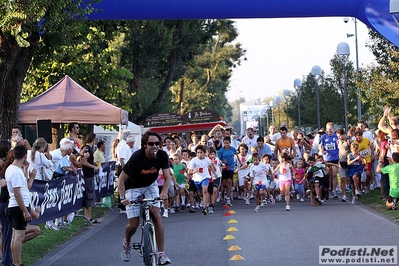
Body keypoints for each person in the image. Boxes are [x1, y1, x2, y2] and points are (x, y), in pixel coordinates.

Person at [118, 131, 172, 265]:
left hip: (150, 185)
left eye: (157, 143)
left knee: (156, 214)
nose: (155, 146)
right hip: (133, 187)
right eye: (151, 144)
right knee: (134, 224)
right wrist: (122, 198)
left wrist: (164, 191)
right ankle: (127, 242)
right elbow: (121, 179)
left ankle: (161, 254)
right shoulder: (137, 157)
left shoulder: (162, 155)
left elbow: (167, 178)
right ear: (144, 145)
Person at [5, 145, 36, 266]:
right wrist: (25, 211)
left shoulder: (12, 169)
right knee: (19, 236)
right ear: (24, 156)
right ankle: (18, 263)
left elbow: (23, 187)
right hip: (18, 206)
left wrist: (26, 169)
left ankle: (15, 262)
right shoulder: (15, 172)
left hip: (15, 205)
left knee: (15, 236)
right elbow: (17, 193)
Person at [80, 133, 100, 224]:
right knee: (90, 195)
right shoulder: (88, 149)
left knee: (88, 195)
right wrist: (93, 167)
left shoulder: (85, 148)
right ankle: (89, 217)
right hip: (88, 175)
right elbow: (83, 162)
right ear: (93, 140)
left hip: (86, 175)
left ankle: (87, 217)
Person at [319, 122, 339, 198]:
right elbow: (321, 146)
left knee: (334, 175)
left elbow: (339, 144)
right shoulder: (324, 137)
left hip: (335, 158)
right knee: (328, 175)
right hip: (327, 159)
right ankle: (328, 189)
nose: (329, 131)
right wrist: (322, 151)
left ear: (333, 128)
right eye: (328, 130)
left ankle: (334, 190)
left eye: (330, 129)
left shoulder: (336, 136)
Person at [219, 137, 237, 206]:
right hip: (224, 167)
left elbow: (236, 155)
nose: (226, 144)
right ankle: (223, 196)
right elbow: (219, 158)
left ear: (230, 143)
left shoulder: (233, 149)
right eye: (225, 143)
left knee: (229, 181)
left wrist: (237, 164)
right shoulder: (222, 150)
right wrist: (222, 161)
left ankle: (228, 198)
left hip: (231, 167)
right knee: (224, 183)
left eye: (227, 143)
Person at [336, 128, 350, 202]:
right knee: (342, 178)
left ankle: (354, 192)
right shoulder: (338, 141)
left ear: (343, 135)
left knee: (350, 178)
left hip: (348, 161)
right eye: (338, 136)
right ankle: (344, 195)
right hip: (341, 161)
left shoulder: (347, 141)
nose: (339, 137)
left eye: (340, 136)